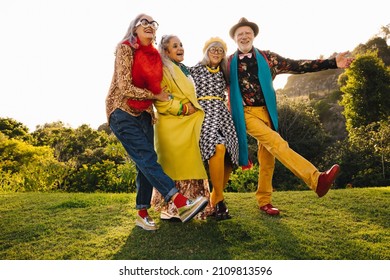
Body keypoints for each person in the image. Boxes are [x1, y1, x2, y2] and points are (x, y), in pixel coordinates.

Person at [227, 17, 353, 216]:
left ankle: (264, 201)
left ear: (253, 36)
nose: (244, 36)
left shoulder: (269, 58)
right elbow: (207, 72)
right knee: (277, 143)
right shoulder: (228, 63)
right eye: (239, 34)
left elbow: (298, 65)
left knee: (267, 159)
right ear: (235, 39)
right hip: (246, 113)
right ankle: (316, 180)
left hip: (267, 111)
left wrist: (332, 63)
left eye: (247, 33)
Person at [106, 14, 208, 231]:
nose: (150, 26)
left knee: (144, 166)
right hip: (121, 111)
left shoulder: (154, 56)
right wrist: (157, 96)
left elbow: (159, 85)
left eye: (153, 23)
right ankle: (181, 203)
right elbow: (124, 87)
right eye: (144, 23)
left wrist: (159, 98)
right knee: (148, 158)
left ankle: (142, 214)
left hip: (144, 114)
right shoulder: (125, 48)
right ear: (134, 29)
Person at [151, 34, 212, 220]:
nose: (180, 48)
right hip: (173, 126)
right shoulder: (162, 69)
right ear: (165, 50)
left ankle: (189, 206)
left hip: (188, 124)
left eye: (181, 44)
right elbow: (160, 99)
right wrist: (184, 108)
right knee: (175, 167)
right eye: (175, 45)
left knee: (191, 165)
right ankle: (170, 210)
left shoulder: (183, 68)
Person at [189, 37, 239, 220]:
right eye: (213, 49)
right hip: (204, 113)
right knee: (217, 147)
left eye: (220, 50)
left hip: (222, 114)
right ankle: (219, 202)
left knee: (229, 154)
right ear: (206, 51)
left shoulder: (225, 72)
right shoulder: (194, 70)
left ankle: (215, 198)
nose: (216, 52)